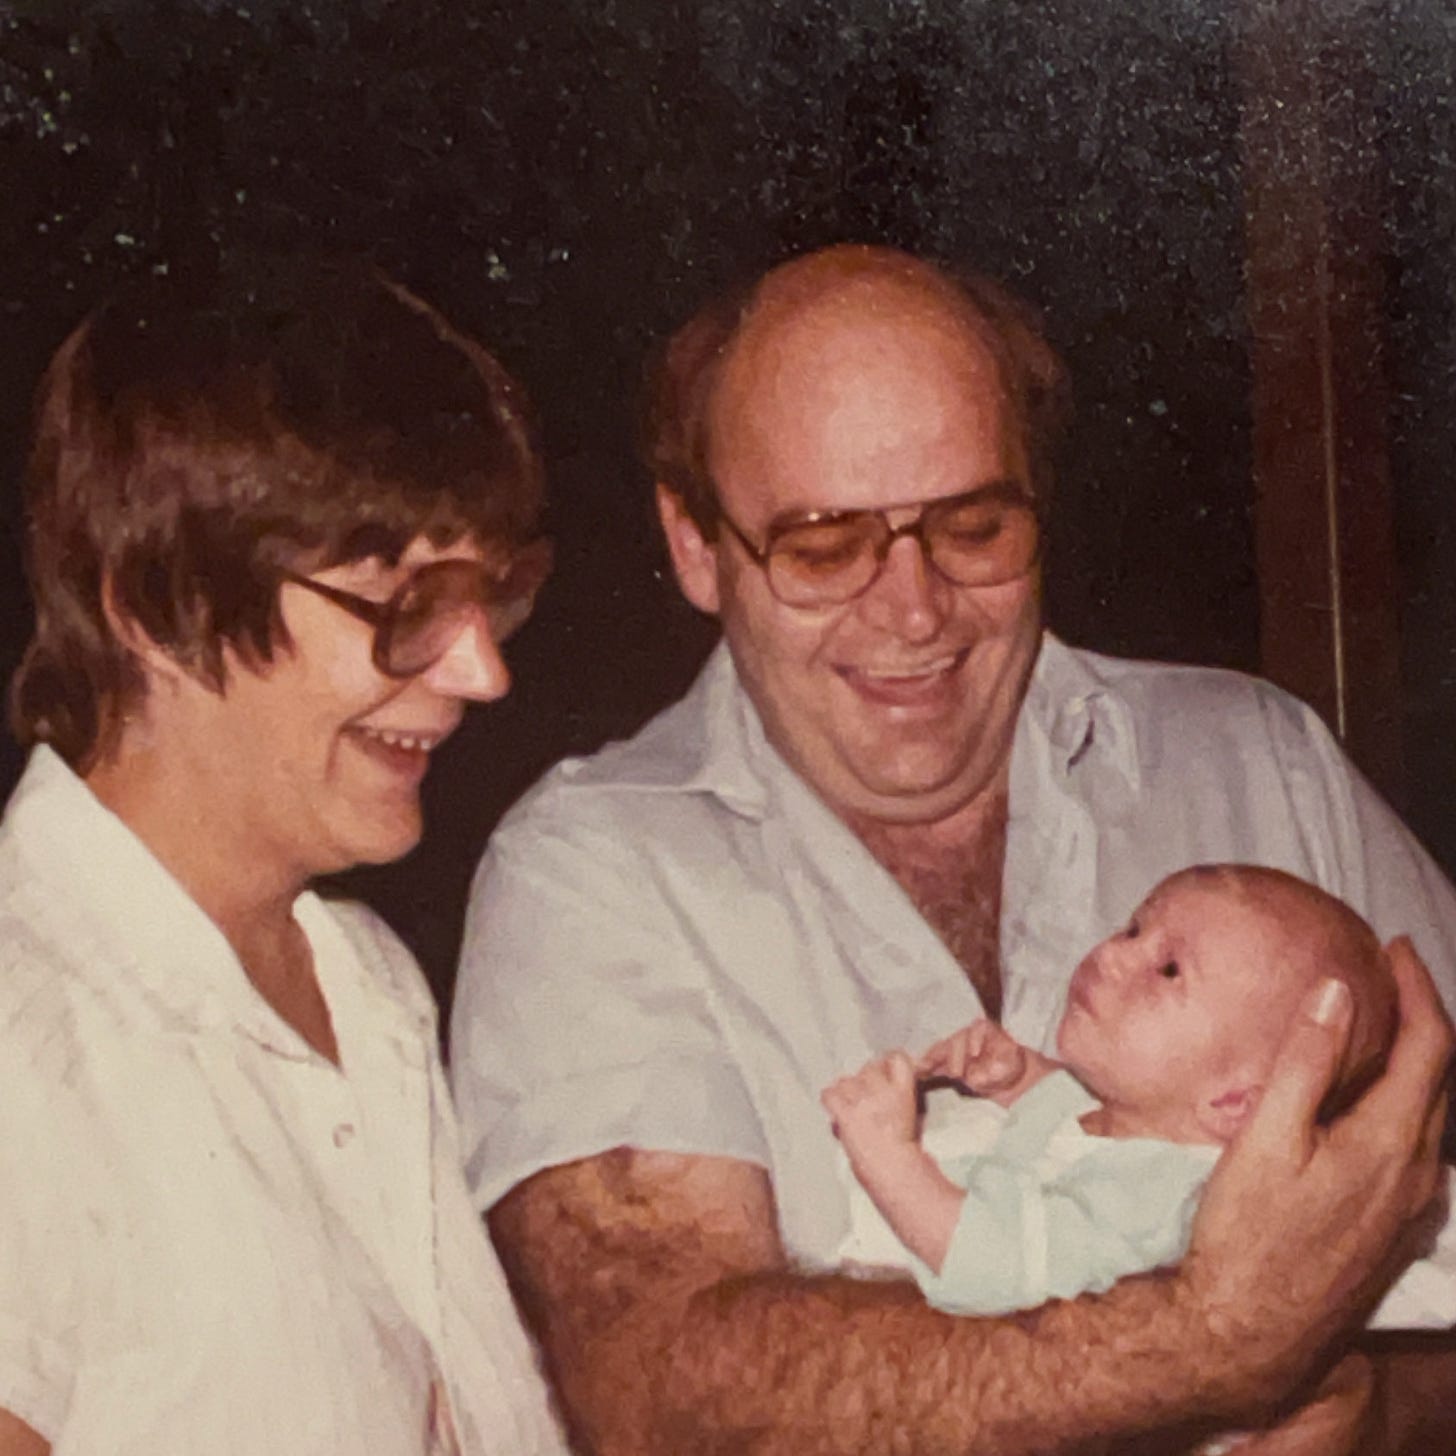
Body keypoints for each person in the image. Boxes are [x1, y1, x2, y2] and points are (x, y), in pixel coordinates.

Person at [451, 243, 1456, 1453]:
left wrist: (1372, 1412)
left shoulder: (1260, 766)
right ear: (697, 545)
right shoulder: (589, 874)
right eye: (823, 546)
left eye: (974, 526)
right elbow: (664, 1391)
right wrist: (1209, 1346)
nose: (914, 611)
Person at [0, 257, 569, 1454]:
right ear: (155, 610)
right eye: (407, 605)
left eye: (492, 599)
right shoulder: (28, 1045)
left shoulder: (368, 983)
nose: (481, 673)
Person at [824, 864, 1456, 1326]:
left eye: (1170, 970)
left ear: (1236, 1105)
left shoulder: (1163, 1200)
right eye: (1132, 929)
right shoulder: (1139, 1124)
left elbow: (991, 1265)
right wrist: (1019, 1077)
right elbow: (1078, 1122)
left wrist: (889, 1154)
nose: (1113, 956)